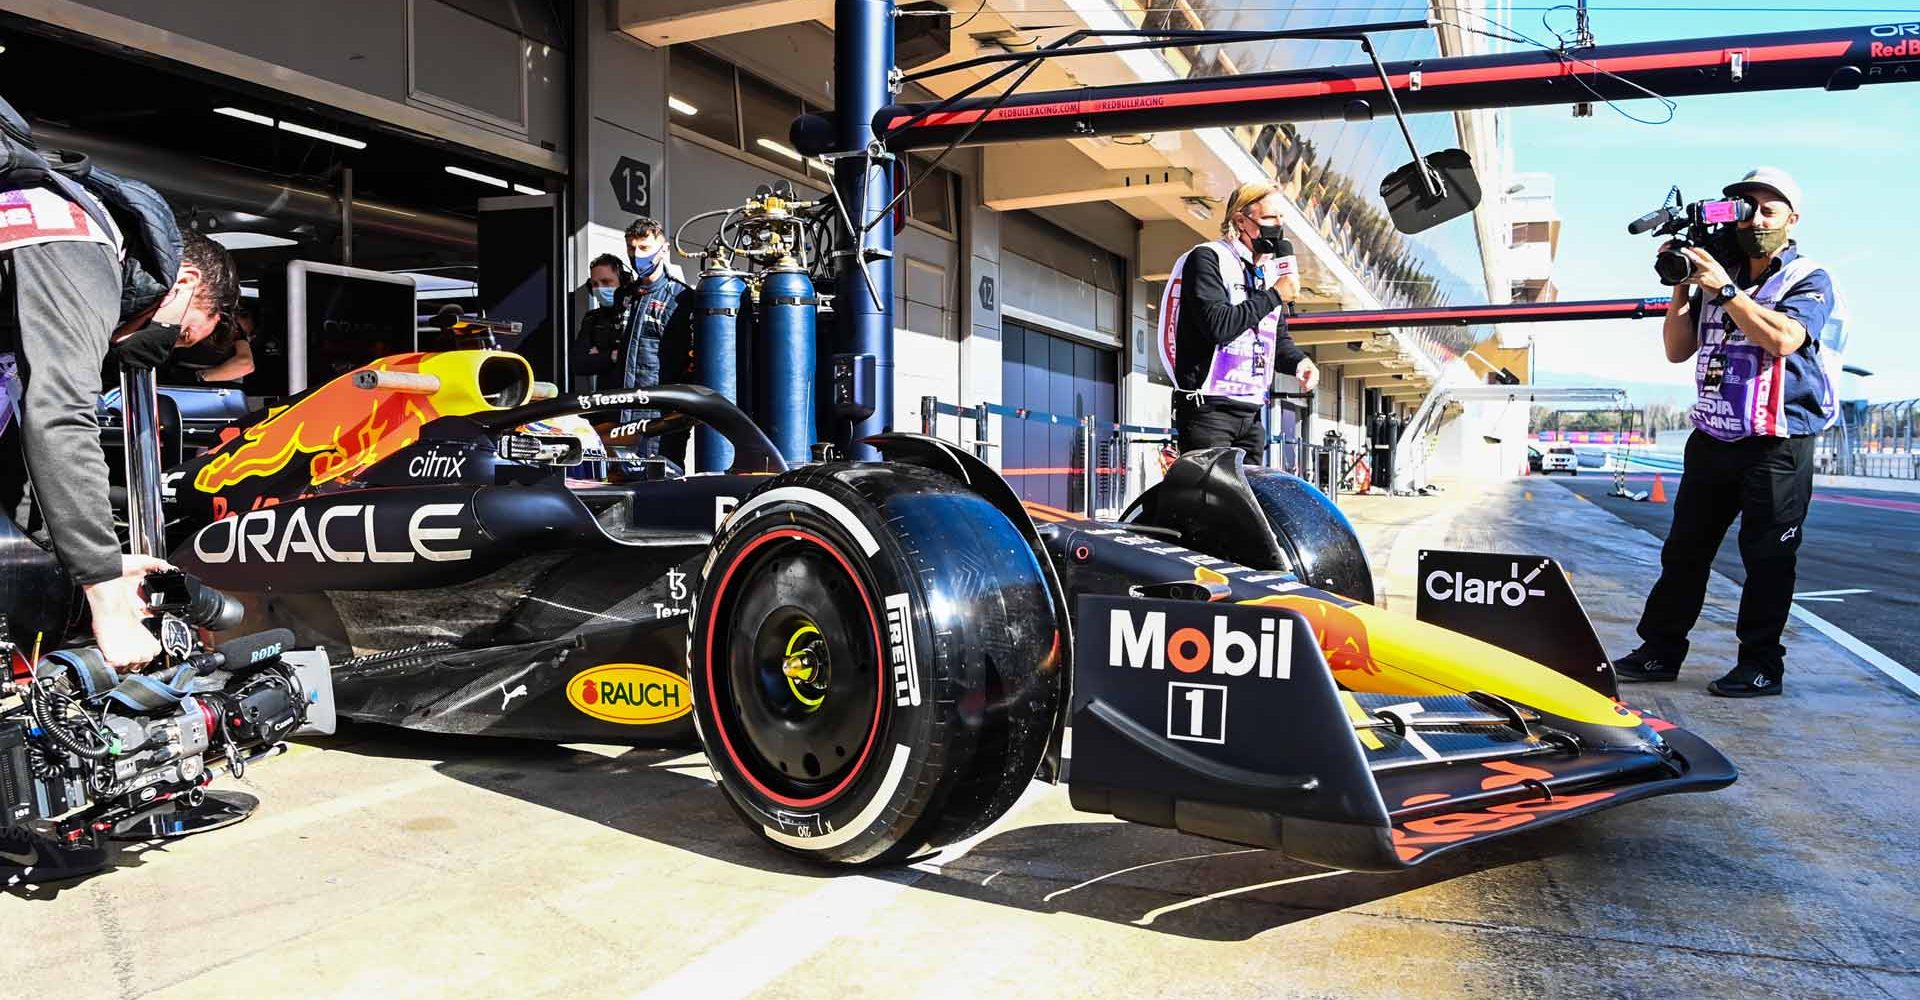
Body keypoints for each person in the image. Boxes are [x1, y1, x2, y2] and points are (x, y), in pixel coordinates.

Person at [1612, 167, 1842, 698]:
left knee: (1768, 558)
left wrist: (1727, 288)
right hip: (1714, 434)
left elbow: (1784, 339)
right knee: (1685, 551)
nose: (1756, 218)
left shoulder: (1808, 276)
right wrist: (1681, 288)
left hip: (1777, 440)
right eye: (1747, 207)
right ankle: (1659, 651)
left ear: (1792, 219)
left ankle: (1761, 665)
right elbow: (1676, 349)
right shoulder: (1719, 271)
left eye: (1769, 210)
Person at [1159, 179, 1319, 458]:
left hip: (1252, 413)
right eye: (1269, 217)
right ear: (1241, 221)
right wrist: (1274, 295)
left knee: (1252, 498)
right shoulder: (1208, 258)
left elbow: (1276, 339)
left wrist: (1299, 361)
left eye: (1281, 218)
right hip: (1209, 411)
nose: (1277, 225)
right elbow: (1218, 326)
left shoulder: (1268, 273)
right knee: (1210, 500)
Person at [616, 218, 692, 462]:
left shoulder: (681, 298)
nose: (637, 255)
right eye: (632, 248)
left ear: (664, 249)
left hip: (661, 418)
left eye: (645, 248)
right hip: (622, 412)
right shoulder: (626, 295)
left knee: (662, 485)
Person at [160, 298, 254, 386]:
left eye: (240, 332)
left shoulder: (234, 356)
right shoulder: (195, 324)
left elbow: (245, 364)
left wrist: (199, 376)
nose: (234, 331)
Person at [572, 253, 629, 390]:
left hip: (638, 398)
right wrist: (612, 356)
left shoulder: (637, 312)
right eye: (595, 284)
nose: (599, 289)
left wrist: (599, 355)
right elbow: (578, 364)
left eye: (606, 282)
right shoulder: (592, 318)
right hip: (605, 401)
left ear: (623, 282)